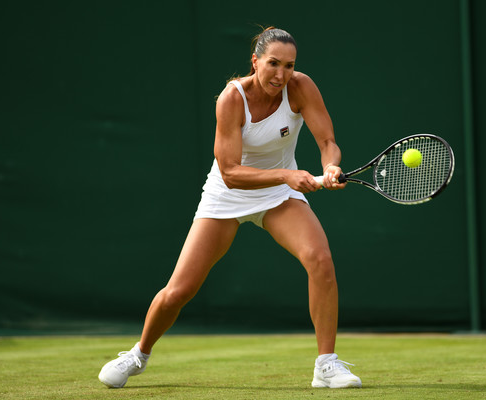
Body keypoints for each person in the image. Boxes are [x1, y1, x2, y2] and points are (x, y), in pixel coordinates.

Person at [98, 26, 362, 389]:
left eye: (289, 65)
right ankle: (138, 354)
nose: (281, 74)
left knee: (320, 260)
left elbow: (328, 141)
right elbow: (231, 172)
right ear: (255, 61)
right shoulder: (231, 99)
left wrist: (330, 165)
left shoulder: (301, 87)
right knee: (180, 290)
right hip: (228, 194)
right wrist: (287, 175)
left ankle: (326, 365)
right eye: (273, 64)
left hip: (278, 197)